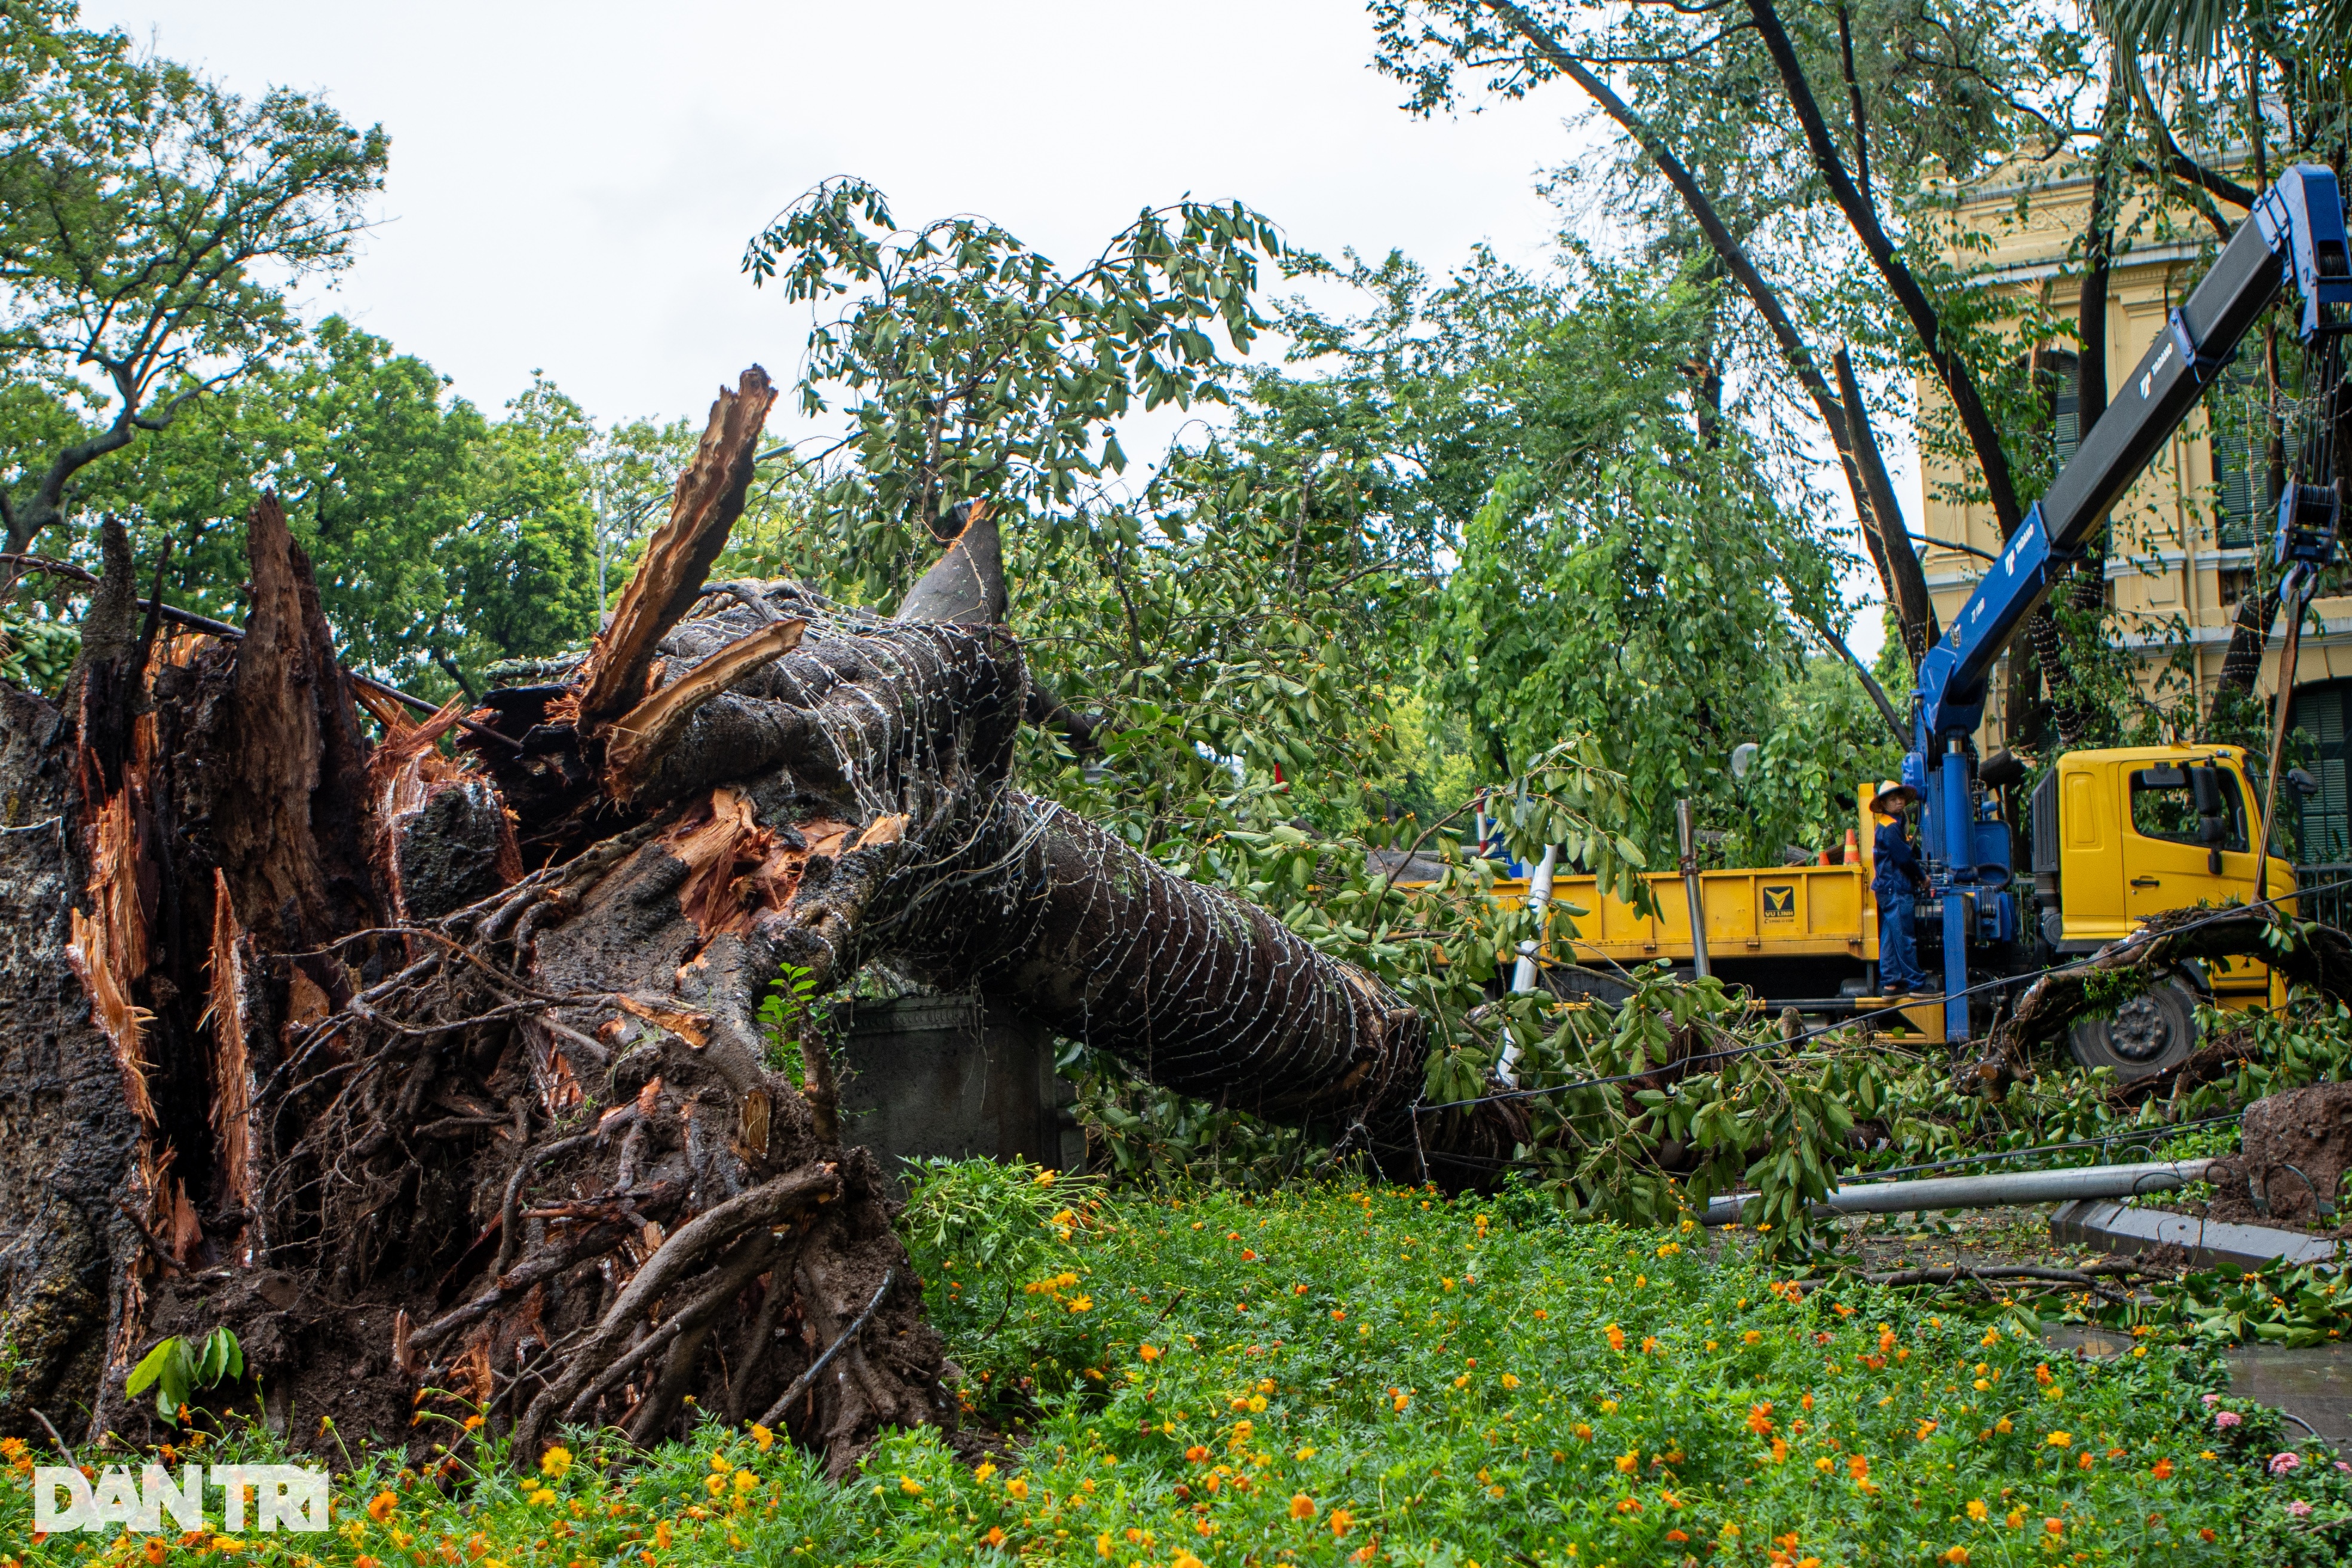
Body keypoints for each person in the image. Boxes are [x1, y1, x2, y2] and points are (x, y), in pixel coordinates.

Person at [1869, 779, 1933, 997]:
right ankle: (1916, 983)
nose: (1899, 802)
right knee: (1905, 937)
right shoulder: (1890, 828)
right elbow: (1904, 858)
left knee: (1890, 936)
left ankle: (1890, 983)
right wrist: (1922, 877)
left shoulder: (1891, 825)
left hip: (1887, 889)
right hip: (1895, 889)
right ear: (1885, 804)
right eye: (1893, 799)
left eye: (1900, 798)